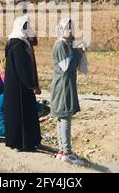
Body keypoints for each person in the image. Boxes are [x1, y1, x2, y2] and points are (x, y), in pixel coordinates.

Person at [51, 17, 86, 165]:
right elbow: (66, 66)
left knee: (62, 118)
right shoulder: (60, 45)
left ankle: (61, 150)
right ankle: (67, 152)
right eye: (67, 28)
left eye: (72, 27)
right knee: (65, 117)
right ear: (61, 30)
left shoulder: (66, 44)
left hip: (64, 84)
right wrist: (78, 53)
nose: (71, 30)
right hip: (63, 86)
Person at [3, 16, 42, 151]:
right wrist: (31, 84)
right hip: (20, 86)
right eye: (24, 26)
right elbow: (22, 68)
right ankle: (22, 143)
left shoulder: (18, 42)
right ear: (18, 27)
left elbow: (35, 40)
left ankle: (22, 142)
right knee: (21, 114)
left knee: (21, 114)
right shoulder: (18, 45)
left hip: (17, 85)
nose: (26, 29)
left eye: (27, 26)